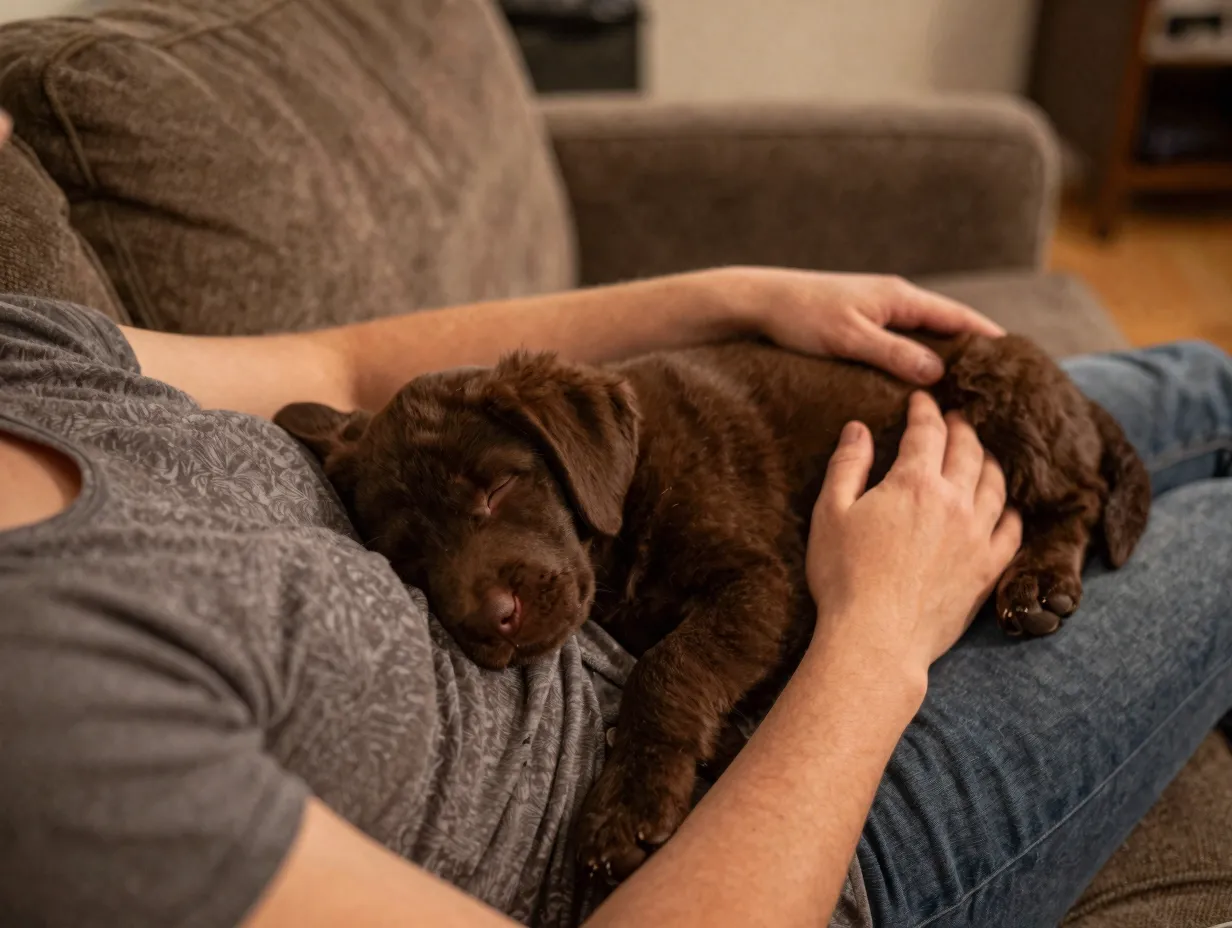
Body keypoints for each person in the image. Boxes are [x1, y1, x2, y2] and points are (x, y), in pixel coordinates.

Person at [1, 111, 1230, 928]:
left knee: (1199, 384)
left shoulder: (24, 350)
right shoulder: (47, 705)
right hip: (789, 809)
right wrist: (881, 632)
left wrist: (736, 293)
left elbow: (340, 364)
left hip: (815, 546)